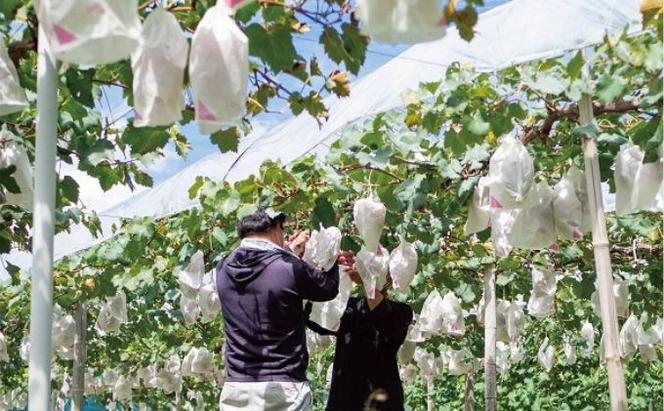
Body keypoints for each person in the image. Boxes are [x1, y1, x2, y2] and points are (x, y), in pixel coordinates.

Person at [215, 208, 343, 411]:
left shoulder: (222, 268)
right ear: (275, 228)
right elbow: (328, 289)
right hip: (283, 387)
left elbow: (266, 275)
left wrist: (292, 252)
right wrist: (332, 255)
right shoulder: (289, 268)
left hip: (237, 387)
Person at [323, 263, 413, 411]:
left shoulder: (402, 312)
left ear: (389, 279)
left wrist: (366, 280)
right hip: (344, 401)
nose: (371, 275)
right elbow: (317, 318)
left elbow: (382, 313)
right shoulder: (348, 307)